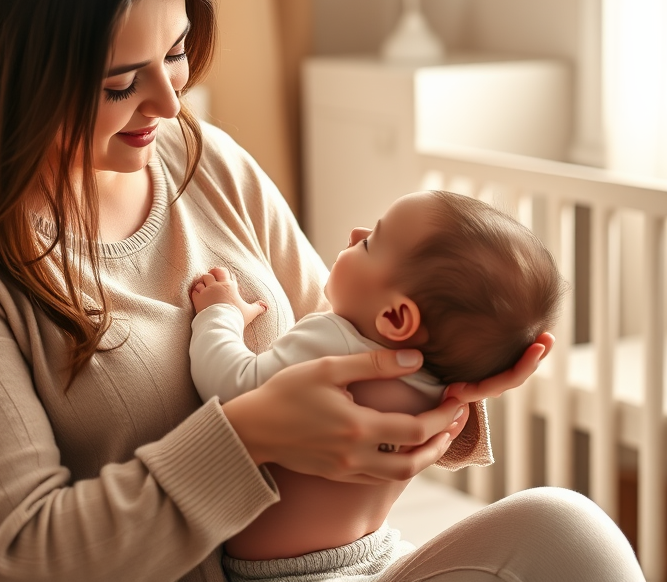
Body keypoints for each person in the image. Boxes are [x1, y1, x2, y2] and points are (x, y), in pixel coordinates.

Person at [0, 0, 645, 581]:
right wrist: (248, 434)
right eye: (120, 82)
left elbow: (348, 339)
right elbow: (21, 557)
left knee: (565, 534)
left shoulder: (201, 159)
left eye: (174, 54)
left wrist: (449, 390)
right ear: (15, 82)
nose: (169, 105)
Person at [187, 190, 564, 575]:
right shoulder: (442, 389)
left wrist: (220, 314)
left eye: (370, 244)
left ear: (397, 318)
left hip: (291, 573)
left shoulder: (330, 340)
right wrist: (473, 382)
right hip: (381, 551)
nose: (355, 233)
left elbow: (231, 384)